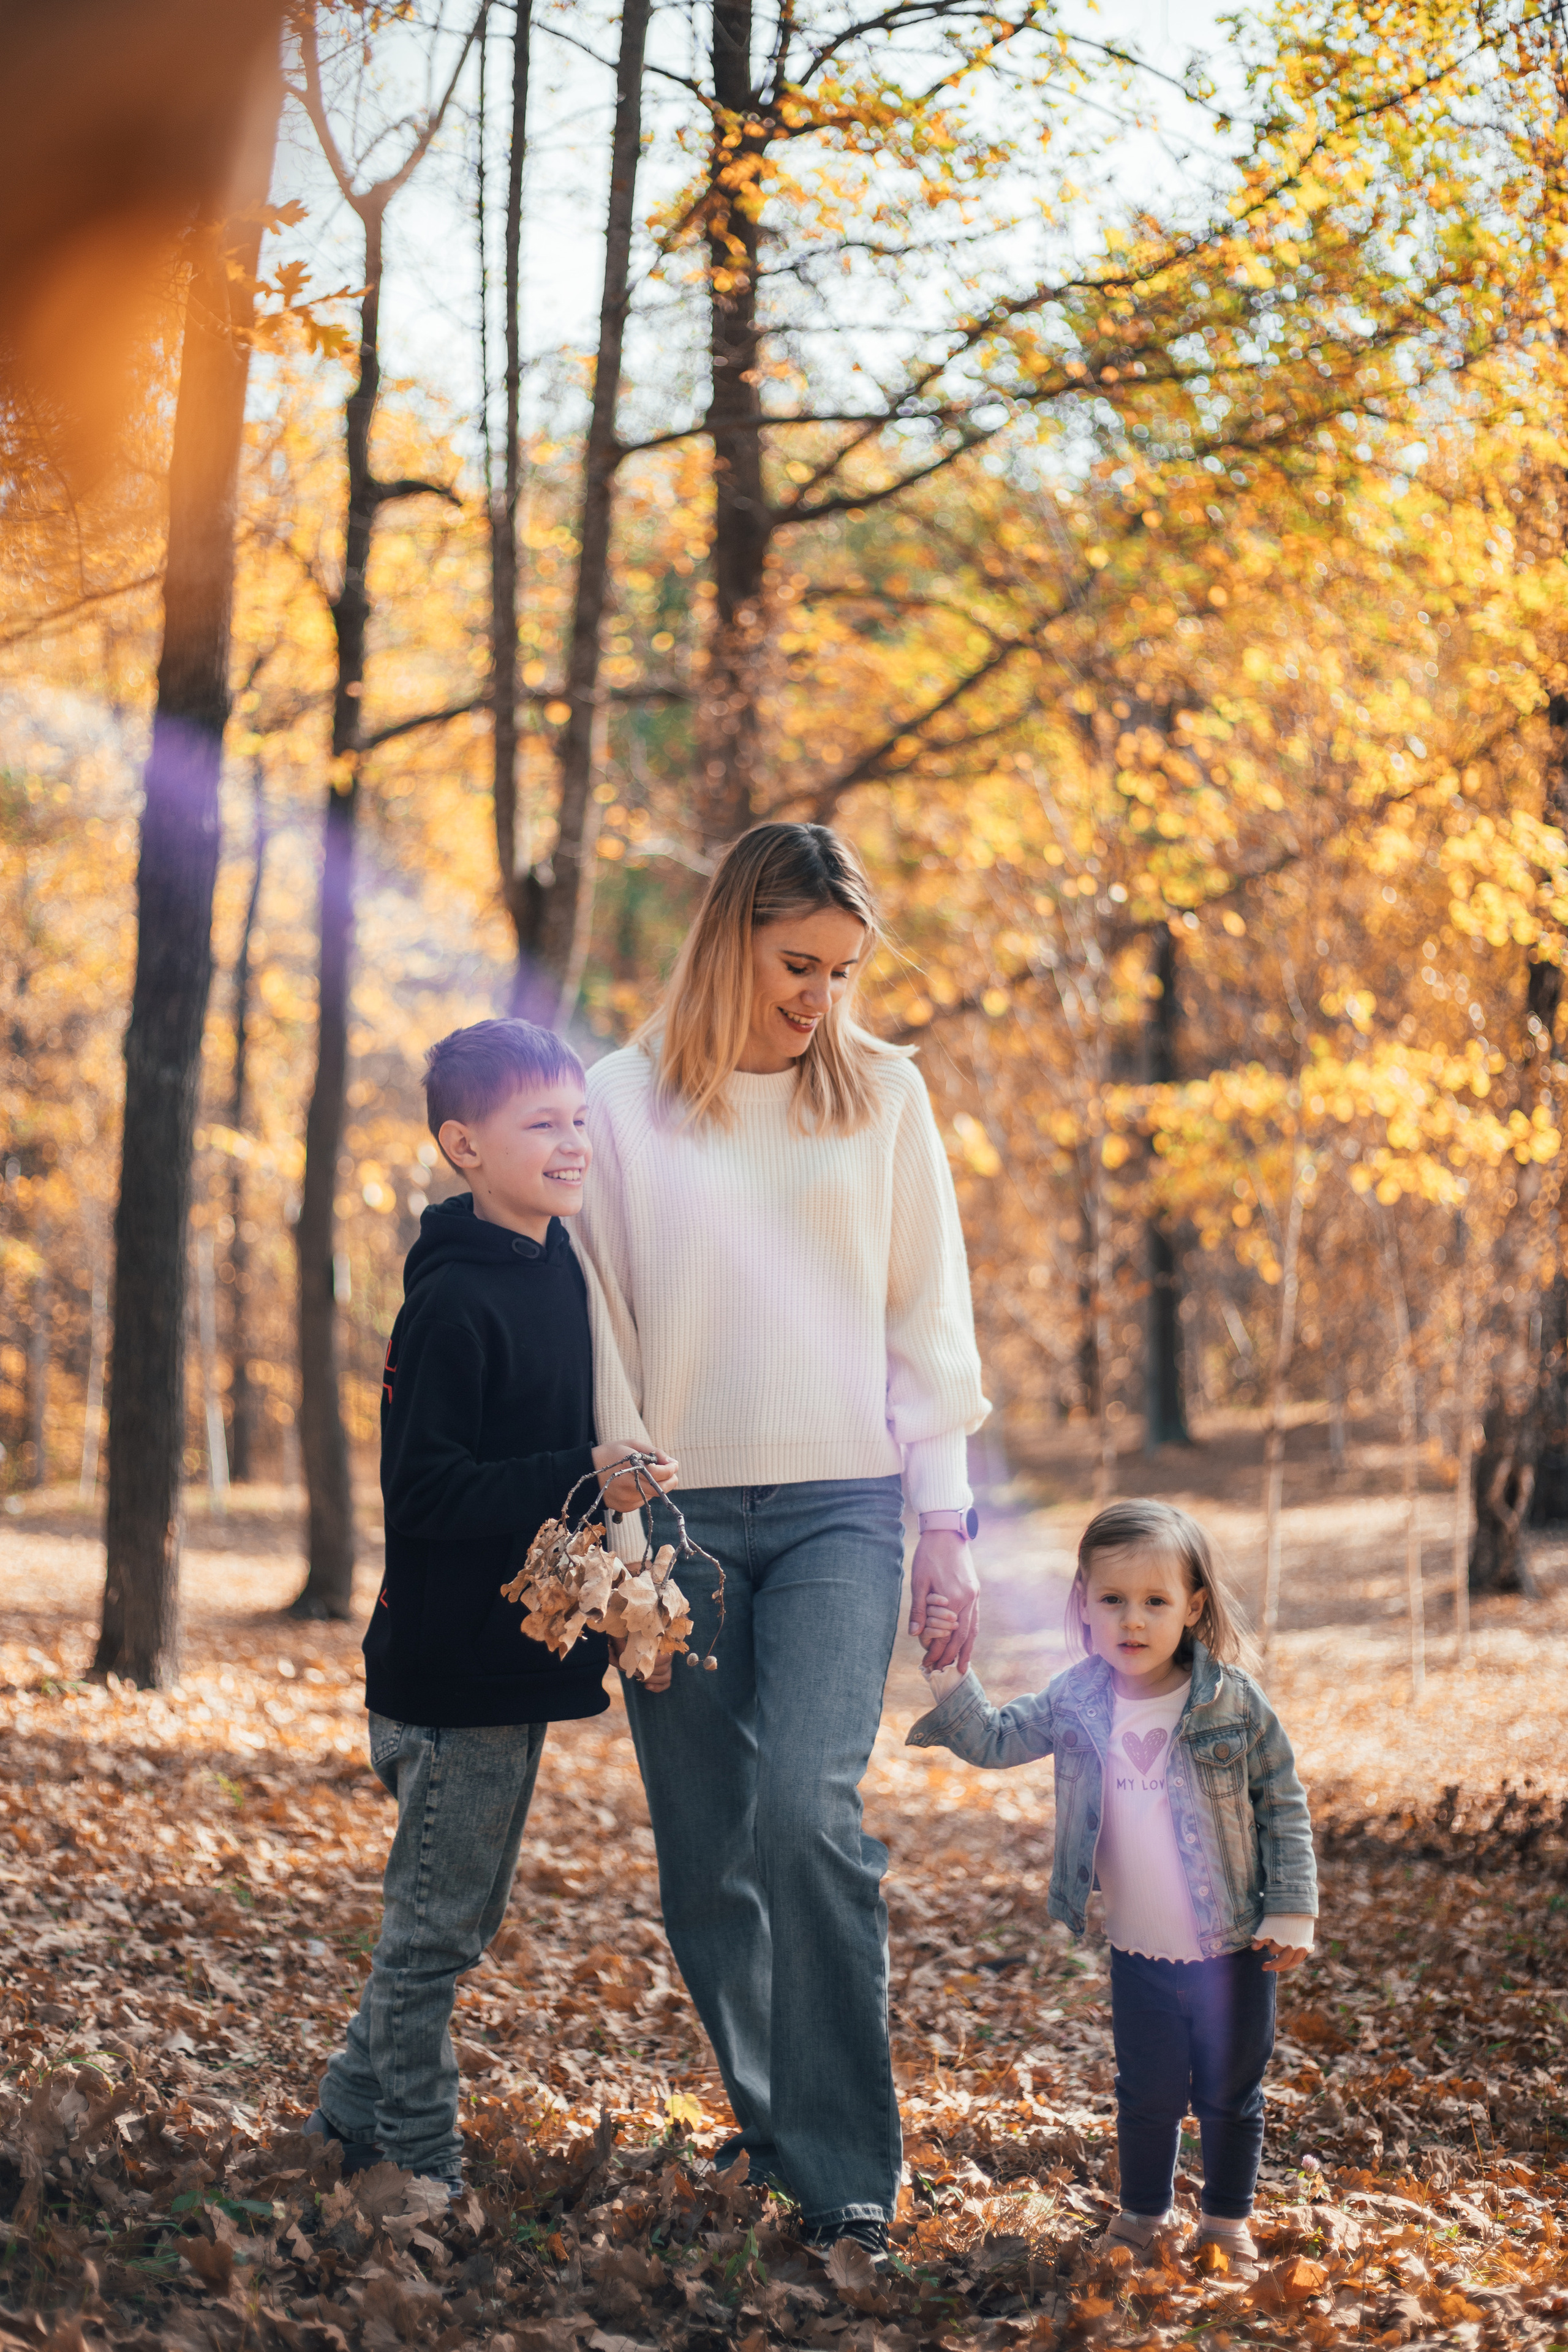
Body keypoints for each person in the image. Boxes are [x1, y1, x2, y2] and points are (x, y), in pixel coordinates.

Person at [575, 821, 989, 2256]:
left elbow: (925, 1313)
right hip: (670, 1523)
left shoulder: (878, 1090)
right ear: (729, 937)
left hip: (841, 1502)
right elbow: (599, 1311)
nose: (819, 995)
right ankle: (770, 2118)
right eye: (795, 963)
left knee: (806, 1810)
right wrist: (623, 1520)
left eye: (842, 970)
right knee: (706, 1855)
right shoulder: (619, 1099)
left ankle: (843, 2173)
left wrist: (945, 1521)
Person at [305, 1017, 676, 2193]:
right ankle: (413, 2160)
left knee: (443, 1924)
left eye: (581, 1120)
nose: (574, 1145)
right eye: (542, 1126)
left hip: (501, 1672)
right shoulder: (455, 1304)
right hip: (449, 1676)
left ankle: (342, 2118)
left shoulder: (559, 1262)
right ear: (465, 1146)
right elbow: (421, 1491)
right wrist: (583, 1470)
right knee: (435, 1940)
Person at [910, 1499, 1317, 2274]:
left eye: (1155, 1602)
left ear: (1192, 1607)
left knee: (1230, 2093)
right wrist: (948, 1677)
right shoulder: (1077, 1698)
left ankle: (1226, 2222)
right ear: (1085, 1605)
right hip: (1139, 1949)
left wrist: (1292, 1907)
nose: (1132, 1621)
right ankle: (1142, 2216)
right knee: (1147, 2091)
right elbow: (994, 1740)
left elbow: (1282, 1802)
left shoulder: (1232, 1704)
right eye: (1112, 1600)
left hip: (1231, 1944)